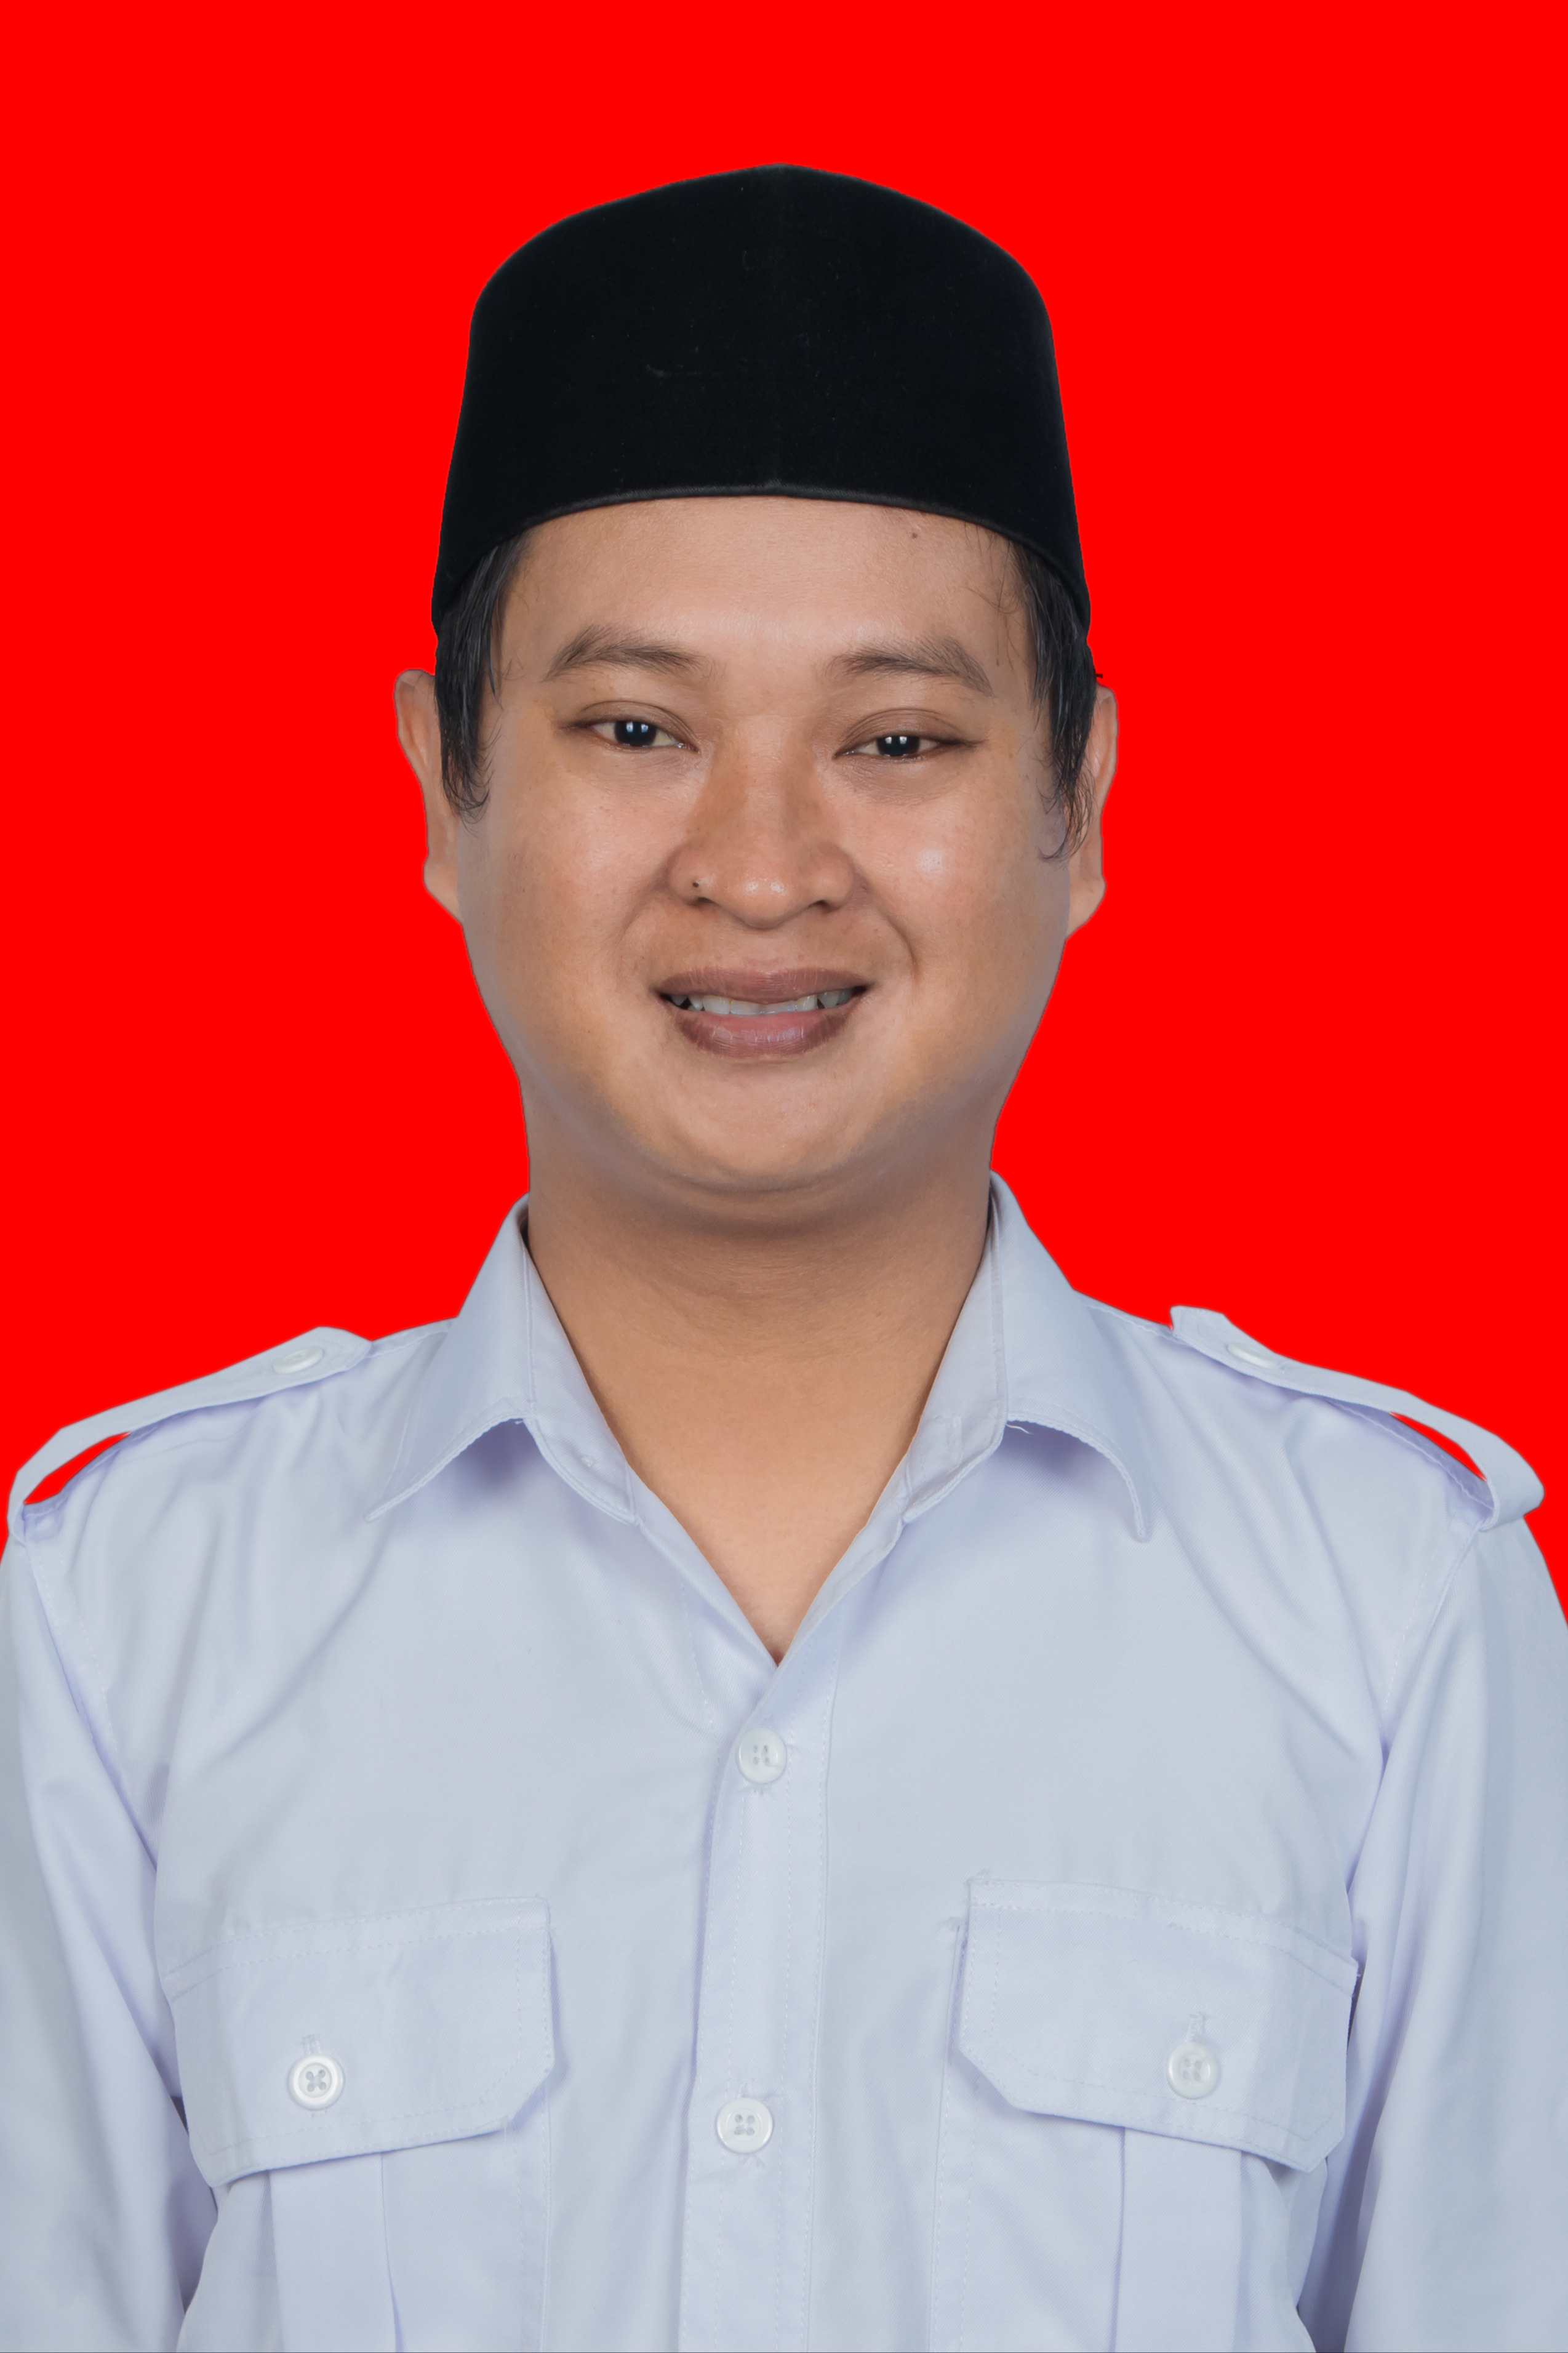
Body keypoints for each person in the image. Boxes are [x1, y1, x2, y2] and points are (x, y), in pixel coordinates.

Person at [1, 166, 1562, 2353]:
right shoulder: (120, 1618)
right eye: (634, 731)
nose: (757, 869)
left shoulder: (1390, 1609)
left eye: (897, 740)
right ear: (441, 789)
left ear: (1081, 799)